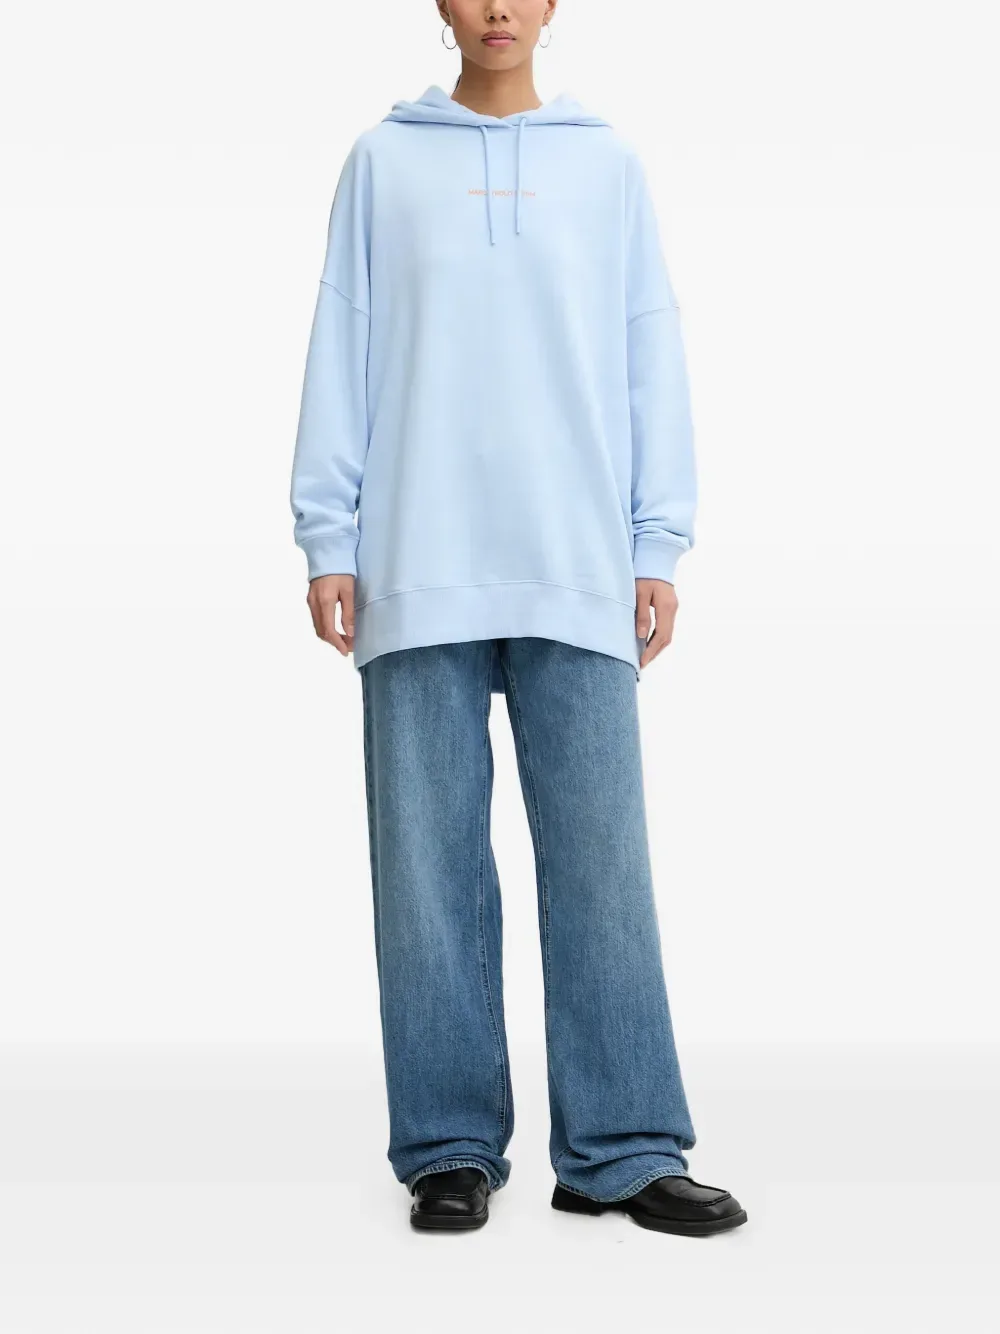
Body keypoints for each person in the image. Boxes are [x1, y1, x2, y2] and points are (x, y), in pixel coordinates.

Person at [289, 0, 747, 1236]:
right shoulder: (383, 162)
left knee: (602, 864)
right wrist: (329, 534)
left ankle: (621, 1146)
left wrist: (656, 541)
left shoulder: (608, 165)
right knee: (426, 870)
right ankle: (448, 1145)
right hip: (414, 551)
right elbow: (342, 339)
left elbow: (649, 353)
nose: (498, 7)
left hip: (576, 554)